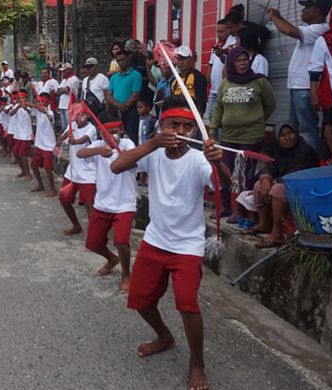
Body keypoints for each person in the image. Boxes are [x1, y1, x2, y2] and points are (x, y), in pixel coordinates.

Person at [110, 96, 232, 390]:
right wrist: (153, 142)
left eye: (186, 126)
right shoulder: (153, 152)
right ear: (162, 125)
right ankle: (164, 336)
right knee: (140, 301)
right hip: (155, 239)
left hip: (188, 245)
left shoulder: (198, 158)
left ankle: (197, 363)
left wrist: (220, 163)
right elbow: (117, 166)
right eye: (172, 124)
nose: (178, 130)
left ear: (193, 130)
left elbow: (222, 185)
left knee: (188, 305)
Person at [211, 46, 275, 222]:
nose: (242, 64)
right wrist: (212, 129)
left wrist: (257, 119)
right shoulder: (225, 82)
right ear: (232, 63)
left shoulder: (259, 81)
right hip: (228, 136)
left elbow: (270, 104)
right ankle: (224, 206)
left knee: (244, 173)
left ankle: (239, 210)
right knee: (224, 170)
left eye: (245, 60)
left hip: (251, 136)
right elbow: (218, 108)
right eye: (238, 61)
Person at [76, 117, 136, 293]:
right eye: (106, 132)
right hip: (102, 202)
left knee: (121, 241)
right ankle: (112, 259)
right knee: (93, 243)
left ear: (121, 130)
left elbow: (132, 159)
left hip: (125, 203)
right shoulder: (98, 145)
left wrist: (121, 153)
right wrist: (98, 151)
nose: (111, 136)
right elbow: (80, 154)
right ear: (101, 132)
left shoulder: (127, 144)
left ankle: (126, 274)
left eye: (115, 131)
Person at [267, 0, 330, 154]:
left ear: (316, 10)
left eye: (306, 7)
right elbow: (292, 29)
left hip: (305, 88)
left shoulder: (321, 29)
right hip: (298, 87)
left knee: (307, 130)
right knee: (294, 129)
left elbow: (289, 30)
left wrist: (275, 17)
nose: (302, 10)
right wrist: (280, 17)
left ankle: (310, 164)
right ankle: (297, 162)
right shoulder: (311, 30)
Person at [248, 123, 319, 248]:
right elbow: (270, 167)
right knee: (259, 185)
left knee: (277, 189)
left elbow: (295, 175)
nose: (287, 137)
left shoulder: (305, 150)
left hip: (306, 189)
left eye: (290, 133)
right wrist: (265, 179)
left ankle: (277, 234)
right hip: (287, 185)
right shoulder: (279, 151)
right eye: (282, 135)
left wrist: (272, 183)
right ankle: (265, 224)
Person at [56, 110, 97, 236]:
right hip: (72, 172)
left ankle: (93, 236)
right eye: (77, 114)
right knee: (64, 199)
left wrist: (73, 140)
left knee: (89, 204)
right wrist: (59, 142)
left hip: (88, 173)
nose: (79, 117)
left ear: (88, 115)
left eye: (82, 114)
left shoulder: (91, 129)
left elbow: (81, 140)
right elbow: (63, 137)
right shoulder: (72, 125)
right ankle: (76, 225)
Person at [107, 51, 143, 144]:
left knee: (131, 135)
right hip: (116, 111)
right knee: (115, 136)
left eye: (123, 59)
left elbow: (135, 94)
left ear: (128, 59)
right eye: (118, 60)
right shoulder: (114, 77)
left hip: (131, 110)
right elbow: (109, 95)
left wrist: (125, 106)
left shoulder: (136, 75)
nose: (121, 62)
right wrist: (118, 105)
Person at [29, 92, 57, 197]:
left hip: (48, 145)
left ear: (48, 102)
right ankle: (41, 185)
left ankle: (53, 189)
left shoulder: (50, 112)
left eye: (44, 101)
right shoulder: (37, 111)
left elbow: (45, 112)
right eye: (40, 101)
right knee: (33, 165)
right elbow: (28, 106)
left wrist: (37, 106)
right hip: (39, 143)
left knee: (48, 168)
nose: (41, 103)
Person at [170, 46, 208, 115]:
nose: (181, 62)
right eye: (179, 59)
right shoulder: (174, 80)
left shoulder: (198, 77)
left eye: (184, 59)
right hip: (177, 114)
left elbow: (201, 101)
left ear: (190, 59)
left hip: (191, 115)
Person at [206, 19, 232, 122]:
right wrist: (208, 77)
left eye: (222, 31)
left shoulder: (232, 43)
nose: (219, 34)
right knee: (212, 117)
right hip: (213, 90)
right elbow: (211, 64)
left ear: (228, 30)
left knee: (223, 119)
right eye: (217, 31)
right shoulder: (216, 46)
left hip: (225, 89)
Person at [9, 91, 33, 181]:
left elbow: (30, 112)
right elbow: (11, 113)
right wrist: (19, 106)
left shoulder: (29, 106)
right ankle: (23, 170)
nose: (20, 100)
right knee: (16, 154)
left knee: (23, 154)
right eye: (18, 98)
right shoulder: (16, 106)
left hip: (26, 135)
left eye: (22, 98)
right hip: (18, 134)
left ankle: (28, 174)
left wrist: (24, 107)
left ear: (25, 99)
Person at [57, 63, 81, 128]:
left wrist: (63, 89)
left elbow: (68, 90)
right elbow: (58, 92)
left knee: (70, 125)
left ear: (70, 70)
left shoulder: (74, 78)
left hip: (70, 105)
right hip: (62, 105)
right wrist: (63, 90)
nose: (63, 72)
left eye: (65, 70)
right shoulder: (64, 80)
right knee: (64, 126)